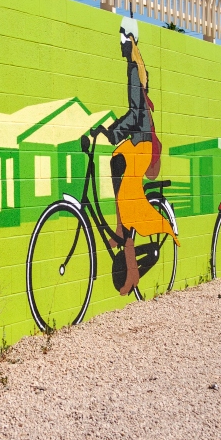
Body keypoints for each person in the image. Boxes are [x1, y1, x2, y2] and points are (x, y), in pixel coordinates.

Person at [91, 18, 177, 295]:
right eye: (119, 38)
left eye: (122, 38)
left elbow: (136, 115)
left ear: (131, 39)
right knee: (116, 158)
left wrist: (111, 130)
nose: (120, 43)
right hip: (140, 140)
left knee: (124, 176)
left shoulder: (134, 70)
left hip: (143, 144)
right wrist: (112, 132)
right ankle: (120, 223)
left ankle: (131, 271)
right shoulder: (135, 68)